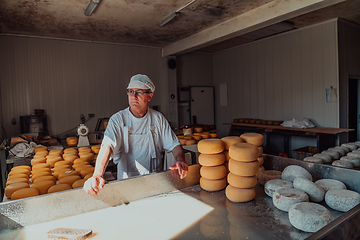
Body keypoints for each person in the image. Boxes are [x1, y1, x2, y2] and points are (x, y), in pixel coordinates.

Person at [84, 74, 188, 195]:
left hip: (154, 182)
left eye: (139, 92)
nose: (133, 96)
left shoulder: (158, 118)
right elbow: (107, 146)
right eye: (131, 91)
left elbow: (174, 144)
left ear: (150, 96)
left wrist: (180, 159)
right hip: (126, 184)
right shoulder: (118, 119)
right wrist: (97, 174)